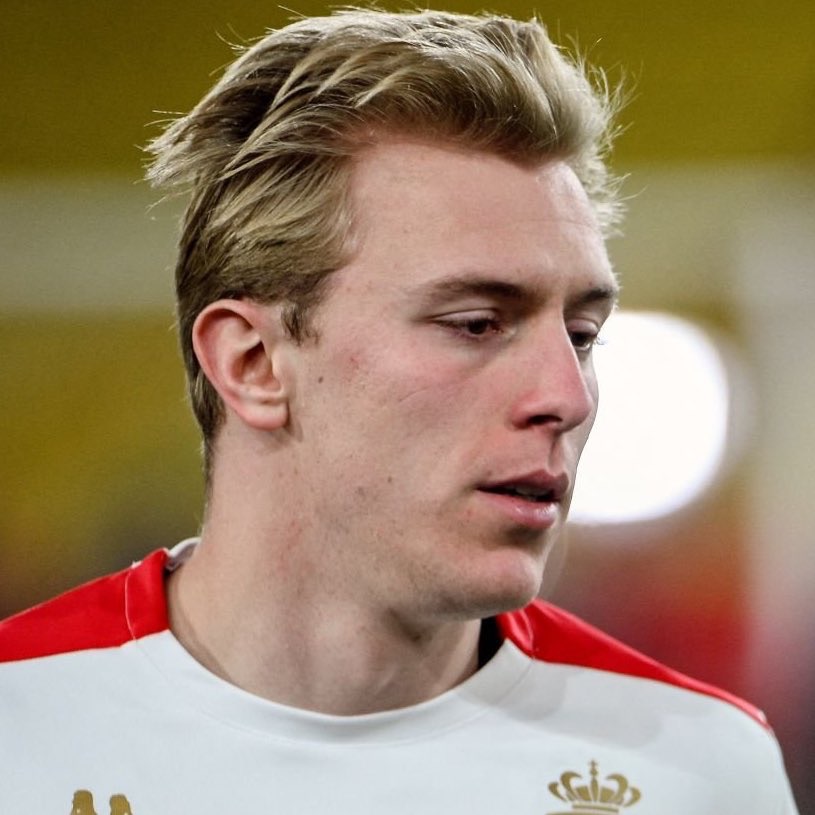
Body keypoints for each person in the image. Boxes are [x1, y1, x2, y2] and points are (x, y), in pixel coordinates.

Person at [0, 9, 798, 814]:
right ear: (254, 364)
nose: (567, 395)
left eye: (582, 334)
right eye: (475, 324)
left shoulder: (697, 770)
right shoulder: (21, 725)